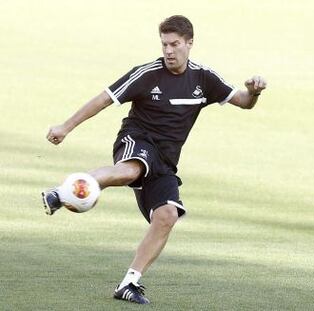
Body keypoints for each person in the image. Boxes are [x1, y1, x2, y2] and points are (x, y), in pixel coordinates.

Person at [42, 15, 267, 304]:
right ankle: (61, 193)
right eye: (164, 44)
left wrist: (253, 91)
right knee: (131, 169)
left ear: (189, 43)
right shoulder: (147, 74)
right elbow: (104, 99)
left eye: (175, 44)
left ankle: (129, 283)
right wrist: (65, 127)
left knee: (167, 216)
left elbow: (244, 102)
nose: (169, 51)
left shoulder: (203, 78)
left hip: (166, 161)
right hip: (137, 138)